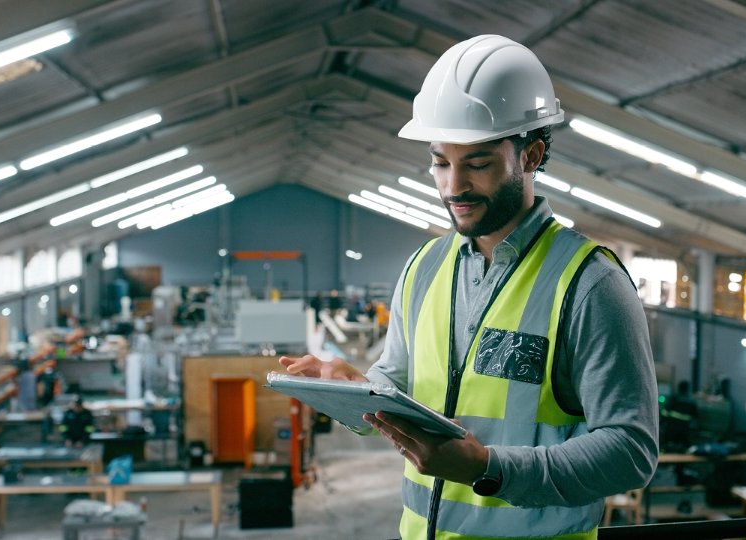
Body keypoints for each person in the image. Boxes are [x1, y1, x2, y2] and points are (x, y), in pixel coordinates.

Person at [279, 34, 658, 539]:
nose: (452, 186)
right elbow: (399, 385)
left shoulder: (589, 283)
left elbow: (630, 452)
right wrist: (358, 393)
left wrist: (487, 468)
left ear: (531, 155)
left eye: (476, 164)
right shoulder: (425, 267)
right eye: (440, 162)